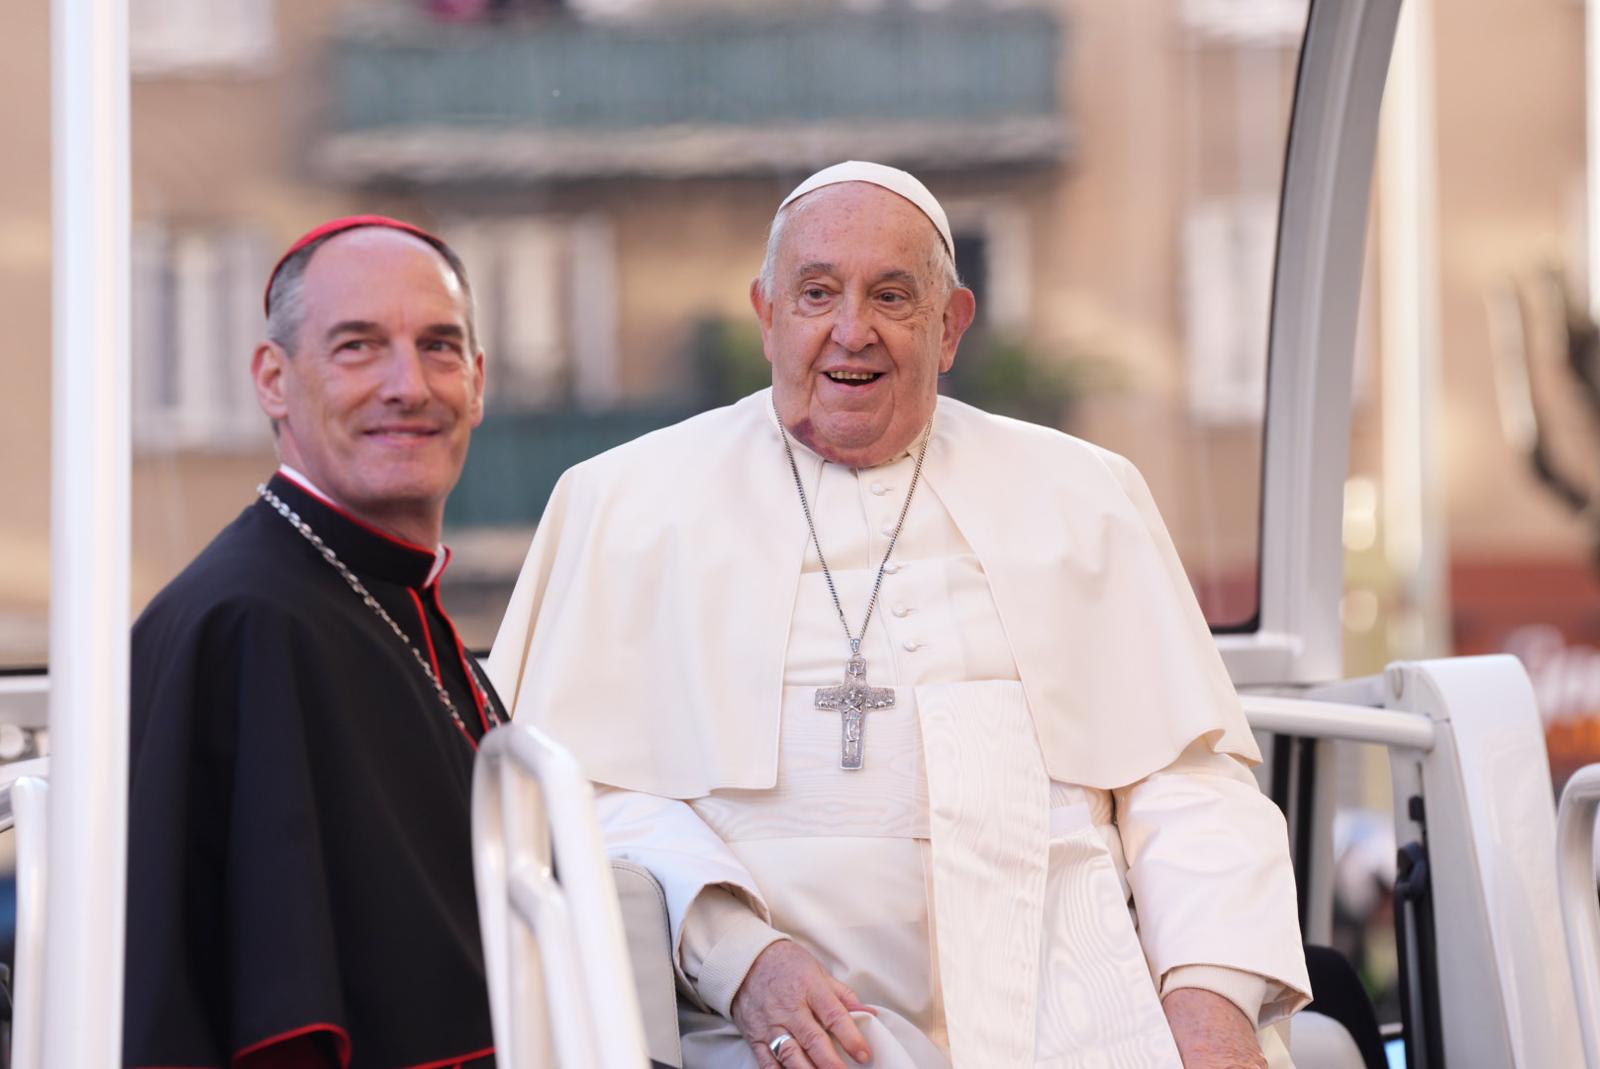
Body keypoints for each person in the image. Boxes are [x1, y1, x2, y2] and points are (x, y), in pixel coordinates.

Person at [488, 162, 1312, 1069]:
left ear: (951, 325)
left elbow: (1189, 784)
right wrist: (740, 955)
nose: (853, 331)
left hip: (1078, 1010)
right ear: (766, 315)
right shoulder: (627, 502)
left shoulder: (1087, 493)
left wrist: (1209, 1005)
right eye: (816, 293)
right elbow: (577, 792)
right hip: (778, 1030)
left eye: (892, 295)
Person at [124, 217, 505, 1069]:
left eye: (439, 347)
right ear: (274, 380)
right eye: (358, 347)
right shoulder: (251, 624)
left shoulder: (400, 603)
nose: (408, 385)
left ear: (477, 383)